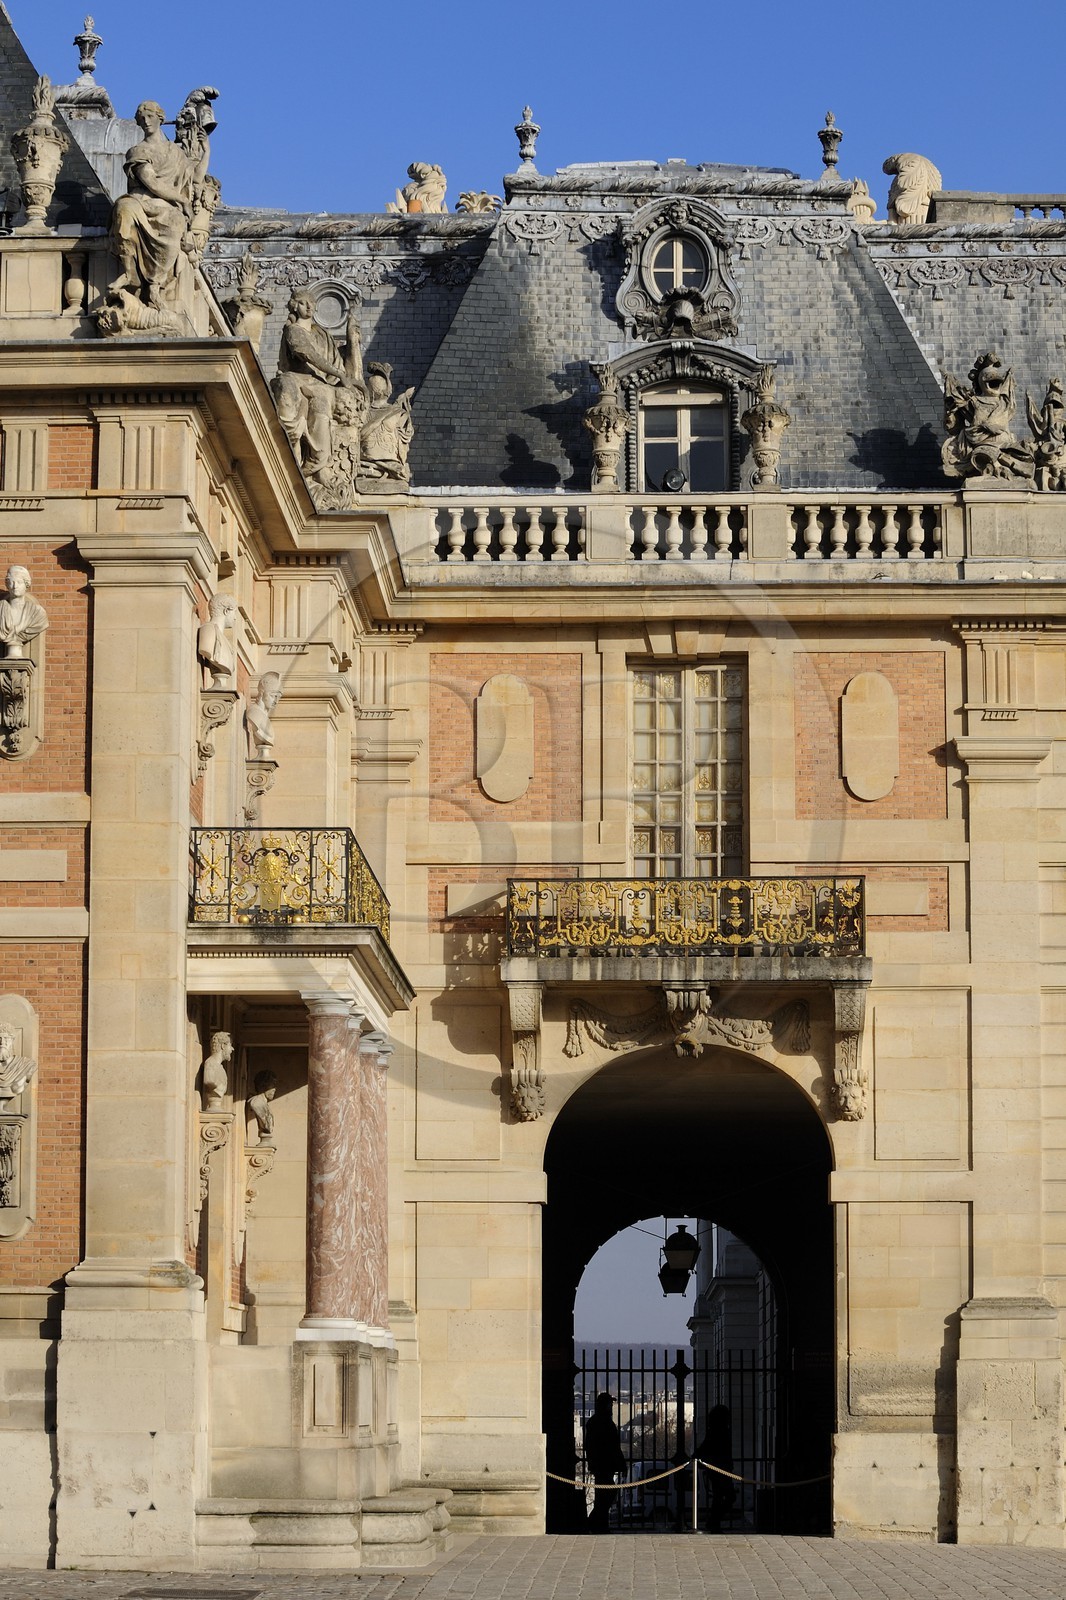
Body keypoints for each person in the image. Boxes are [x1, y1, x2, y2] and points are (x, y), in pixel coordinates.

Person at [109, 101, 199, 307]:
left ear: (160, 118)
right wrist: (181, 199)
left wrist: (206, 151)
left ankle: (154, 285)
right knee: (124, 209)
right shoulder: (137, 151)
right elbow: (150, 181)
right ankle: (129, 271)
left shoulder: (176, 153)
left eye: (149, 116)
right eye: (141, 118)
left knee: (175, 223)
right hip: (142, 202)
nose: (146, 121)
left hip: (167, 208)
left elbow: (196, 176)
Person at [583, 1392, 626, 1533]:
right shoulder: (603, 1422)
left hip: (602, 1465)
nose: (612, 1406)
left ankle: (598, 1523)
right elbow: (612, 1446)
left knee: (604, 1495)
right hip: (604, 1465)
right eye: (610, 1404)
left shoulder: (596, 1422)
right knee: (606, 1495)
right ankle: (595, 1522)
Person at [696, 1404, 736, 1532]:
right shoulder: (721, 1430)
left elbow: (705, 1446)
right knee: (728, 1497)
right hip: (721, 1468)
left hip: (716, 1468)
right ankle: (714, 1521)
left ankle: (714, 1522)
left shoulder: (714, 1429)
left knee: (719, 1497)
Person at [0, 566, 47, 659]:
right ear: (7, 584)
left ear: (26, 585)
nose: (14, 586)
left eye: (19, 582)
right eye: (11, 582)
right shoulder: (1, 609)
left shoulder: (37, 613)